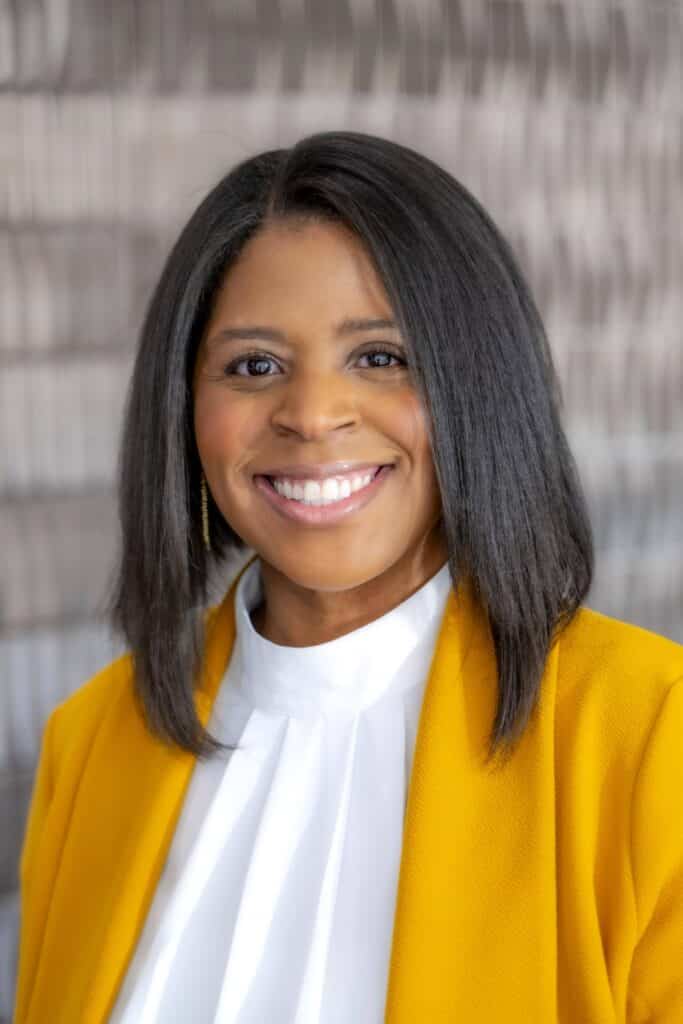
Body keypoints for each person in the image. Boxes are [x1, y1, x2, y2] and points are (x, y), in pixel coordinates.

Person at [13, 131, 683, 1023]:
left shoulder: (648, 739)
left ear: (476, 384)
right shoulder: (91, 747)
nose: (313, 415)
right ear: (186, 409)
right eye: (254, 366)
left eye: (378, 357)